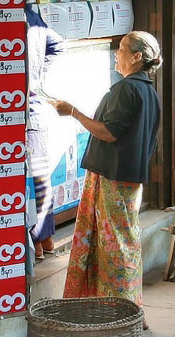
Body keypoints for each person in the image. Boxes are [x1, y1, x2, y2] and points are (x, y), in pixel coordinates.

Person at [52, 31, 163, 303]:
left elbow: (109, 133)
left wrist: (73, 112)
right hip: (126, 177)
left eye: (122, 49)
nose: (117, 53)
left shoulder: (127, 89)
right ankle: (127, 304)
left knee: (116, 245)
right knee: (122, 240)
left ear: (137, 57)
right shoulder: (147, 91)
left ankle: (121, 308)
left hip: (114, 177)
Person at [24, 0, 68, 259]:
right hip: (35, 107)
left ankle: (37, 241)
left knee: (29, 178)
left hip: (25, 111)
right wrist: (38, 75)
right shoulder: (33, 16)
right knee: (40, 175)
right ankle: (45, 238)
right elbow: (57, 46)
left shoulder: (13, 18)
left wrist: (34, 75)